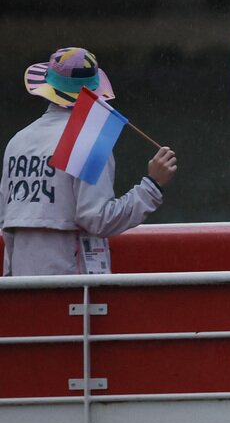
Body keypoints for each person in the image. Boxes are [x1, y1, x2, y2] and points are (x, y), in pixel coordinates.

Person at [2, 47, 177, 277]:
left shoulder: (17, 142)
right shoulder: (89, 140)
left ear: (49, 88)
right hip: (72, 290)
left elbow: (7, 220)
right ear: (94, 90)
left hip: (21, 286)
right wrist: (152, 186)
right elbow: (98, 220)